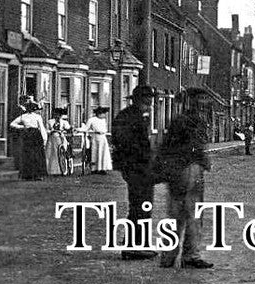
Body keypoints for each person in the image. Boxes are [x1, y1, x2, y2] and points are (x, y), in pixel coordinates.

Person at [154, 109, 213, 269]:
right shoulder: (195, 123)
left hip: (175, 171)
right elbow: (198, 148)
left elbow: (164, 149)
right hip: (190, 170)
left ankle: (168, 255)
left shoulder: (176, 123)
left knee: (175, 214)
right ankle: (191, 255)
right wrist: (204, 161)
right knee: (193, 214)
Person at [111, 86, 158, 260]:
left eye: (151, 102)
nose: (150, 105)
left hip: (141, 169)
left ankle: (138, 244)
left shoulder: (135, 116)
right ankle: (132, 247)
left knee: (142, 207)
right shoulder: (129, 117)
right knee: (140, 207)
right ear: (138, 101)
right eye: (147, 102)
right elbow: (125, 144)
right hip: (136, 169)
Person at [9, 101, 48, 180]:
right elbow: (42, 128)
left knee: (28, 154)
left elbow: (12, 124)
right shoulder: (37, 117)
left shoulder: (23, 116)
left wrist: (22, 127)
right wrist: (44, 139)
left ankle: (28, 175)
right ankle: (37, 175)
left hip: (27, 135)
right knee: (37, 154)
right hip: (36, 135)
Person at [78, 106, 114, 174]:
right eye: (103, 113)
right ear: (99, 113)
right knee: (95, 153)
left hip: (103, 137)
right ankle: (94, 169)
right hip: (95, 137)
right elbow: (86, 128)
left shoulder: (103, 120)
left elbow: (105, 129)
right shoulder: (92, 120)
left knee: (103, 152)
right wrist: (78, 129)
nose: (104, 115)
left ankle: (102, 168)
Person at [45, 108, 72, 175]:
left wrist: (65, 131)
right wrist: (51, 131)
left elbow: (68, 129)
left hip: (61, 138)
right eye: (56, 114)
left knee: (60, 153)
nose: (57, 116)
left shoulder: (64, 122)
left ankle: (61, 170)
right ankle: (51, 170)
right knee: (51, 153)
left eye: (59, 114)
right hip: (52, 138)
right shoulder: (50, 121)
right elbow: (46, 130)